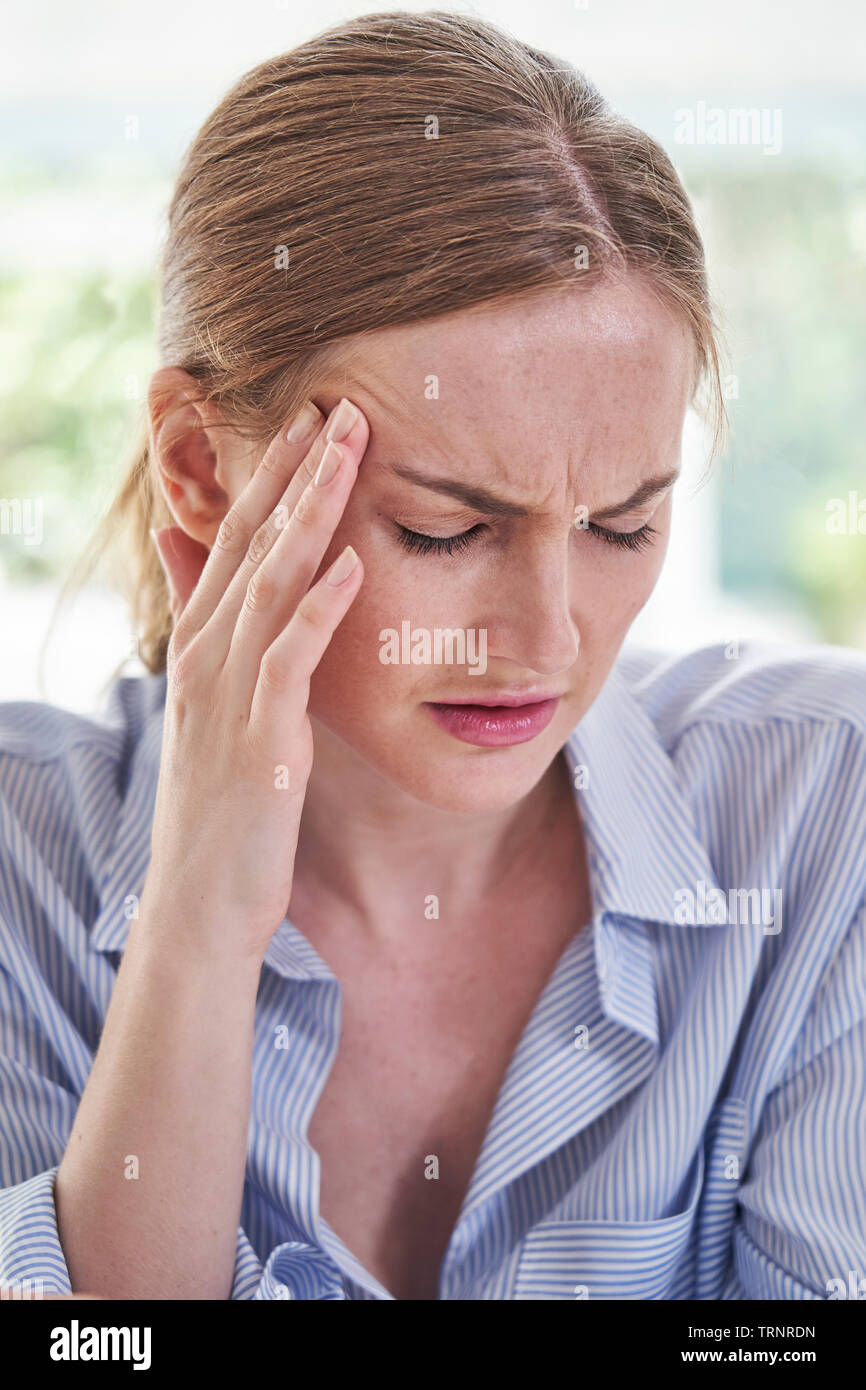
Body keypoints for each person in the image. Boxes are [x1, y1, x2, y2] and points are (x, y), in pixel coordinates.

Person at [1, 10, 864, 1302]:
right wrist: (195, 919)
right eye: (445, 527)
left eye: (623, 521)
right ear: (197, 467)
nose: (548, 637)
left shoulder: (818, 816)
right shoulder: (24, 857)